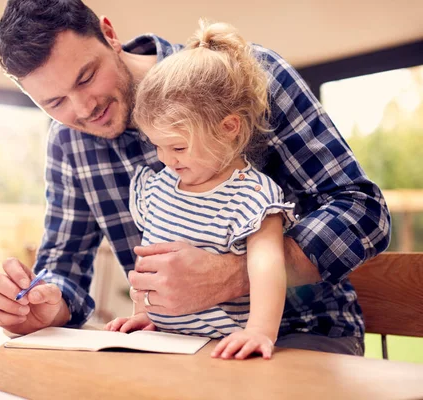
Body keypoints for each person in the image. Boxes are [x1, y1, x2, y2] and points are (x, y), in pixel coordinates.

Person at [0, 0, 390, 356]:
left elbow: (364, 213)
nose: (84, 108)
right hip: (171, 343)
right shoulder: (68, 142)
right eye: (55, 102)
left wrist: (232, 275)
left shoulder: (244, 79)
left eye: (86, 77)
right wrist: (44, 306)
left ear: (110, 35)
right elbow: (63, 266)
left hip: (298, 334)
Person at [103, 21, 297, 360]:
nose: (165, 159)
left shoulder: (252, 196)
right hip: (167, 346)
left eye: (177, 148)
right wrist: (145, 315)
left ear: (228, 129)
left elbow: (268, 267)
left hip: (222, 351)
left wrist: (259, 331)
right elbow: (151, 260)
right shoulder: (159, 186)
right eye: (157, 146)